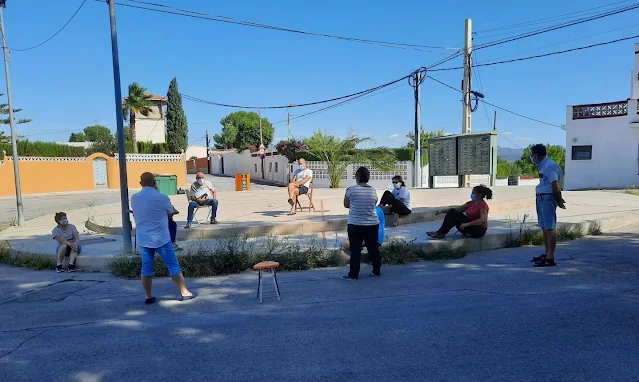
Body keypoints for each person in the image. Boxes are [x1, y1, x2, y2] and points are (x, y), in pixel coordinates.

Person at [131, 172, 196, 305]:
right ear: (155, 183)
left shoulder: (134, 198)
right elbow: (170, 211)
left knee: (146, 268)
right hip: (161, 238)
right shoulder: (162, 197)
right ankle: (184, 292)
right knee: (172, 265)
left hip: (144, 238)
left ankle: (149, 296)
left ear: (140, 183)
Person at [342, 167, 382, 280]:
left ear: (357, 177)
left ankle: (353, 274)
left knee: (355, 249)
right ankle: (376, 270)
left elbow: (346, 205)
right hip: (372, 224)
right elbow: (374, 202)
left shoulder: (351, 190)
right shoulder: (373, 190)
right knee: (373, 248)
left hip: (355, 224)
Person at [529, 144, 565, 268]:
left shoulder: (549, 166)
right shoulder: (543, 166)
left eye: (532, 155)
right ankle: (546, 253)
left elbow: (555, 185)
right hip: (541, 197)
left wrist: (559, 200)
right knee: (545, 227)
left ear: (537, 155)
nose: (531, 157)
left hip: (547, 198)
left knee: (550, 227)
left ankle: (550, 257)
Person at [427, 185, 493, 240]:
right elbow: (457, 210)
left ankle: (440, 233)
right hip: (469, 226)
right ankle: (441, 233)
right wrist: (442, 211)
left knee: (454, 214)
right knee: (453, 212)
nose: (471, 195)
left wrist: (467, 224)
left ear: (479, 195)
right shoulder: (471, 203)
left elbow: (483, 220)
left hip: (477, 230)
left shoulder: (483, 206)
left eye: (473, 193)